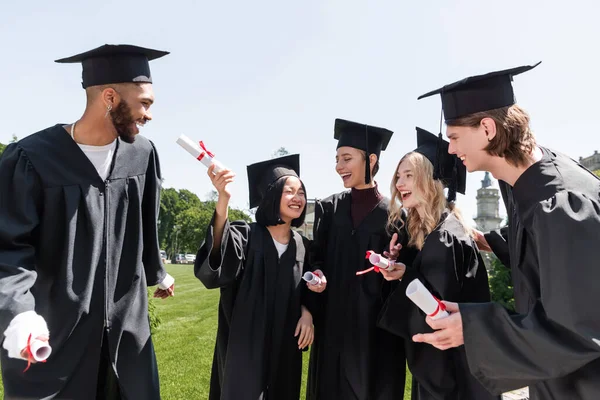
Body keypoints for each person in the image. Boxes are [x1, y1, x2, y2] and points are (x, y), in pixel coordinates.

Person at [413, 62, 600, 400]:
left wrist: (472, 329)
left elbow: (579, 329)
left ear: (487, 128)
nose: (451, 150)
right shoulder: (529, 176)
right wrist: (489, 241)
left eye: (454, 137)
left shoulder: (560, 203)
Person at [0, 44, 175, 400]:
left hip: (127, 341)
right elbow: (8, 249)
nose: (149, 115)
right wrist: (19, 314)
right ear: (109, 97)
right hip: (55, 336)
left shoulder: (143, 155)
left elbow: (145, 228)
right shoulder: (32, 159)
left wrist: (157, 272)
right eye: (144, 103)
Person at [377, 127, 498, 399]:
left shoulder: (444, 238)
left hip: (452, 376)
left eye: (409, 175)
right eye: (398, 176)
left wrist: (403, 274)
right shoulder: (440, 230)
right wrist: (403, 262)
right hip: (462, 371)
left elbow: (435, 311)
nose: (399, 184)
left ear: (430, 180)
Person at [195, 154, 314, 400]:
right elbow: (218, 259)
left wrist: (308, 312)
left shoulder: (303, 246)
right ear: (271, 195)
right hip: (244, 348)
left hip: (285, 348)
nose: (298, 198)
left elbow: (308, 290)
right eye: (289, 191)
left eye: (301, 192)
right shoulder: (246, 235)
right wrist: (223, 199)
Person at [306, 118, 406, 400]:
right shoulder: (329, 208)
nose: (339, 166)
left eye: (347, 158)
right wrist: (317, 274)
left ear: (371, 159)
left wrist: (396, 265)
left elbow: (405, 276)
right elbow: (316, 258)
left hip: (375, 335)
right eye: (337, 158)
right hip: (332, 328)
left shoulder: (396, 217)